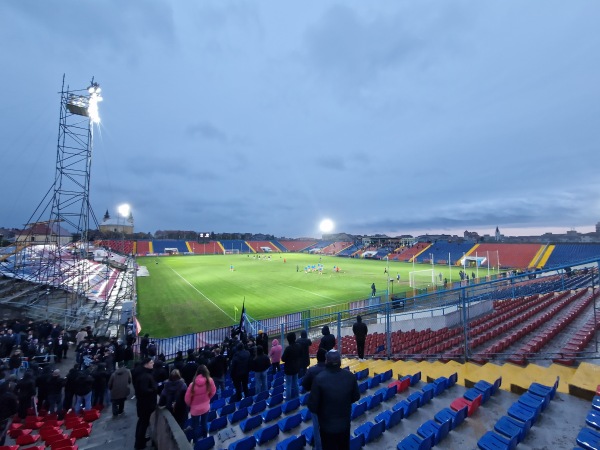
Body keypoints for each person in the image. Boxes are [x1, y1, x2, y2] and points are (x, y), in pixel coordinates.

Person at [307, 350, 360, 450]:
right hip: (344, 424)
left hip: (326, 427)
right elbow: (356, 396)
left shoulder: (319, 379)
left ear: (326, 361)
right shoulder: (350, 376)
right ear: (339, 362)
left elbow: (312, 406)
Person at [301, 348, 327, 450]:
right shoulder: (331, 369)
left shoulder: (311, 371)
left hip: (316, 403)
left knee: (317, 426)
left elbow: (305, 385)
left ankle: (318, 447)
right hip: (329, 402)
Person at [184, 365, 216, 444]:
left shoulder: (192, 385)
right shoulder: (210, 381)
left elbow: (187, 399)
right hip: (205, 407)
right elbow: (213, 391)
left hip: (195, 409)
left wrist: (191, 405)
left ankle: (195, 441)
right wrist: (208, 398)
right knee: (204, 423)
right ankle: (205, 438)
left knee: (195, 426)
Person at [134, 358, 157, 450]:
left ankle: (140, 440)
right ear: (146, 364)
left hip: (143, 404)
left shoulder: (142, 374)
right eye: (151, 362)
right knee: (143, 423)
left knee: (142, 423)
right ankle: (139, 443)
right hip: (146, 404)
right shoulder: (145, 376)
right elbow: (144, 390)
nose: (153, 364)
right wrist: (154, 389)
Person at [281, 332, 302, 400]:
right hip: (296, 367)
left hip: (289, 369)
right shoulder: (298, 346)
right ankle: (297, 396)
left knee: (288, 384)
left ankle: (288, 399)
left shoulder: (288, 348)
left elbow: (283, 359)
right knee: (295, 383)